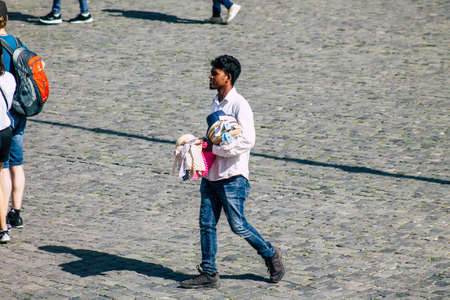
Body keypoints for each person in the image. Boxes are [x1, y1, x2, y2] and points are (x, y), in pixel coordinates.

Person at [180, 55, 285, 289]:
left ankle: (269, 253)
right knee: (206, 224)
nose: (210, 76)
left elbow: (247, 141)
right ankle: (209, 271)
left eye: (214, 73)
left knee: (238, 225)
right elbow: (218, 135)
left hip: (233, 177)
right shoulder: (215, 103)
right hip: (212, 175)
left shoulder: (240, 106)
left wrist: (214, 147)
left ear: (227, 77)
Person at [0, 1, 27, 233]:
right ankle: (16, 212)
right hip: (20, 111)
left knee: (3, 168)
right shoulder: (17, 42)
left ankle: (3, 216)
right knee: (17, 164)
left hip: (3, 115)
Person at [0, 41, 16, 243]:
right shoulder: (8, 78)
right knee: (2, 174)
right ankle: (3, 226)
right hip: (4, 130)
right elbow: (9, 104)